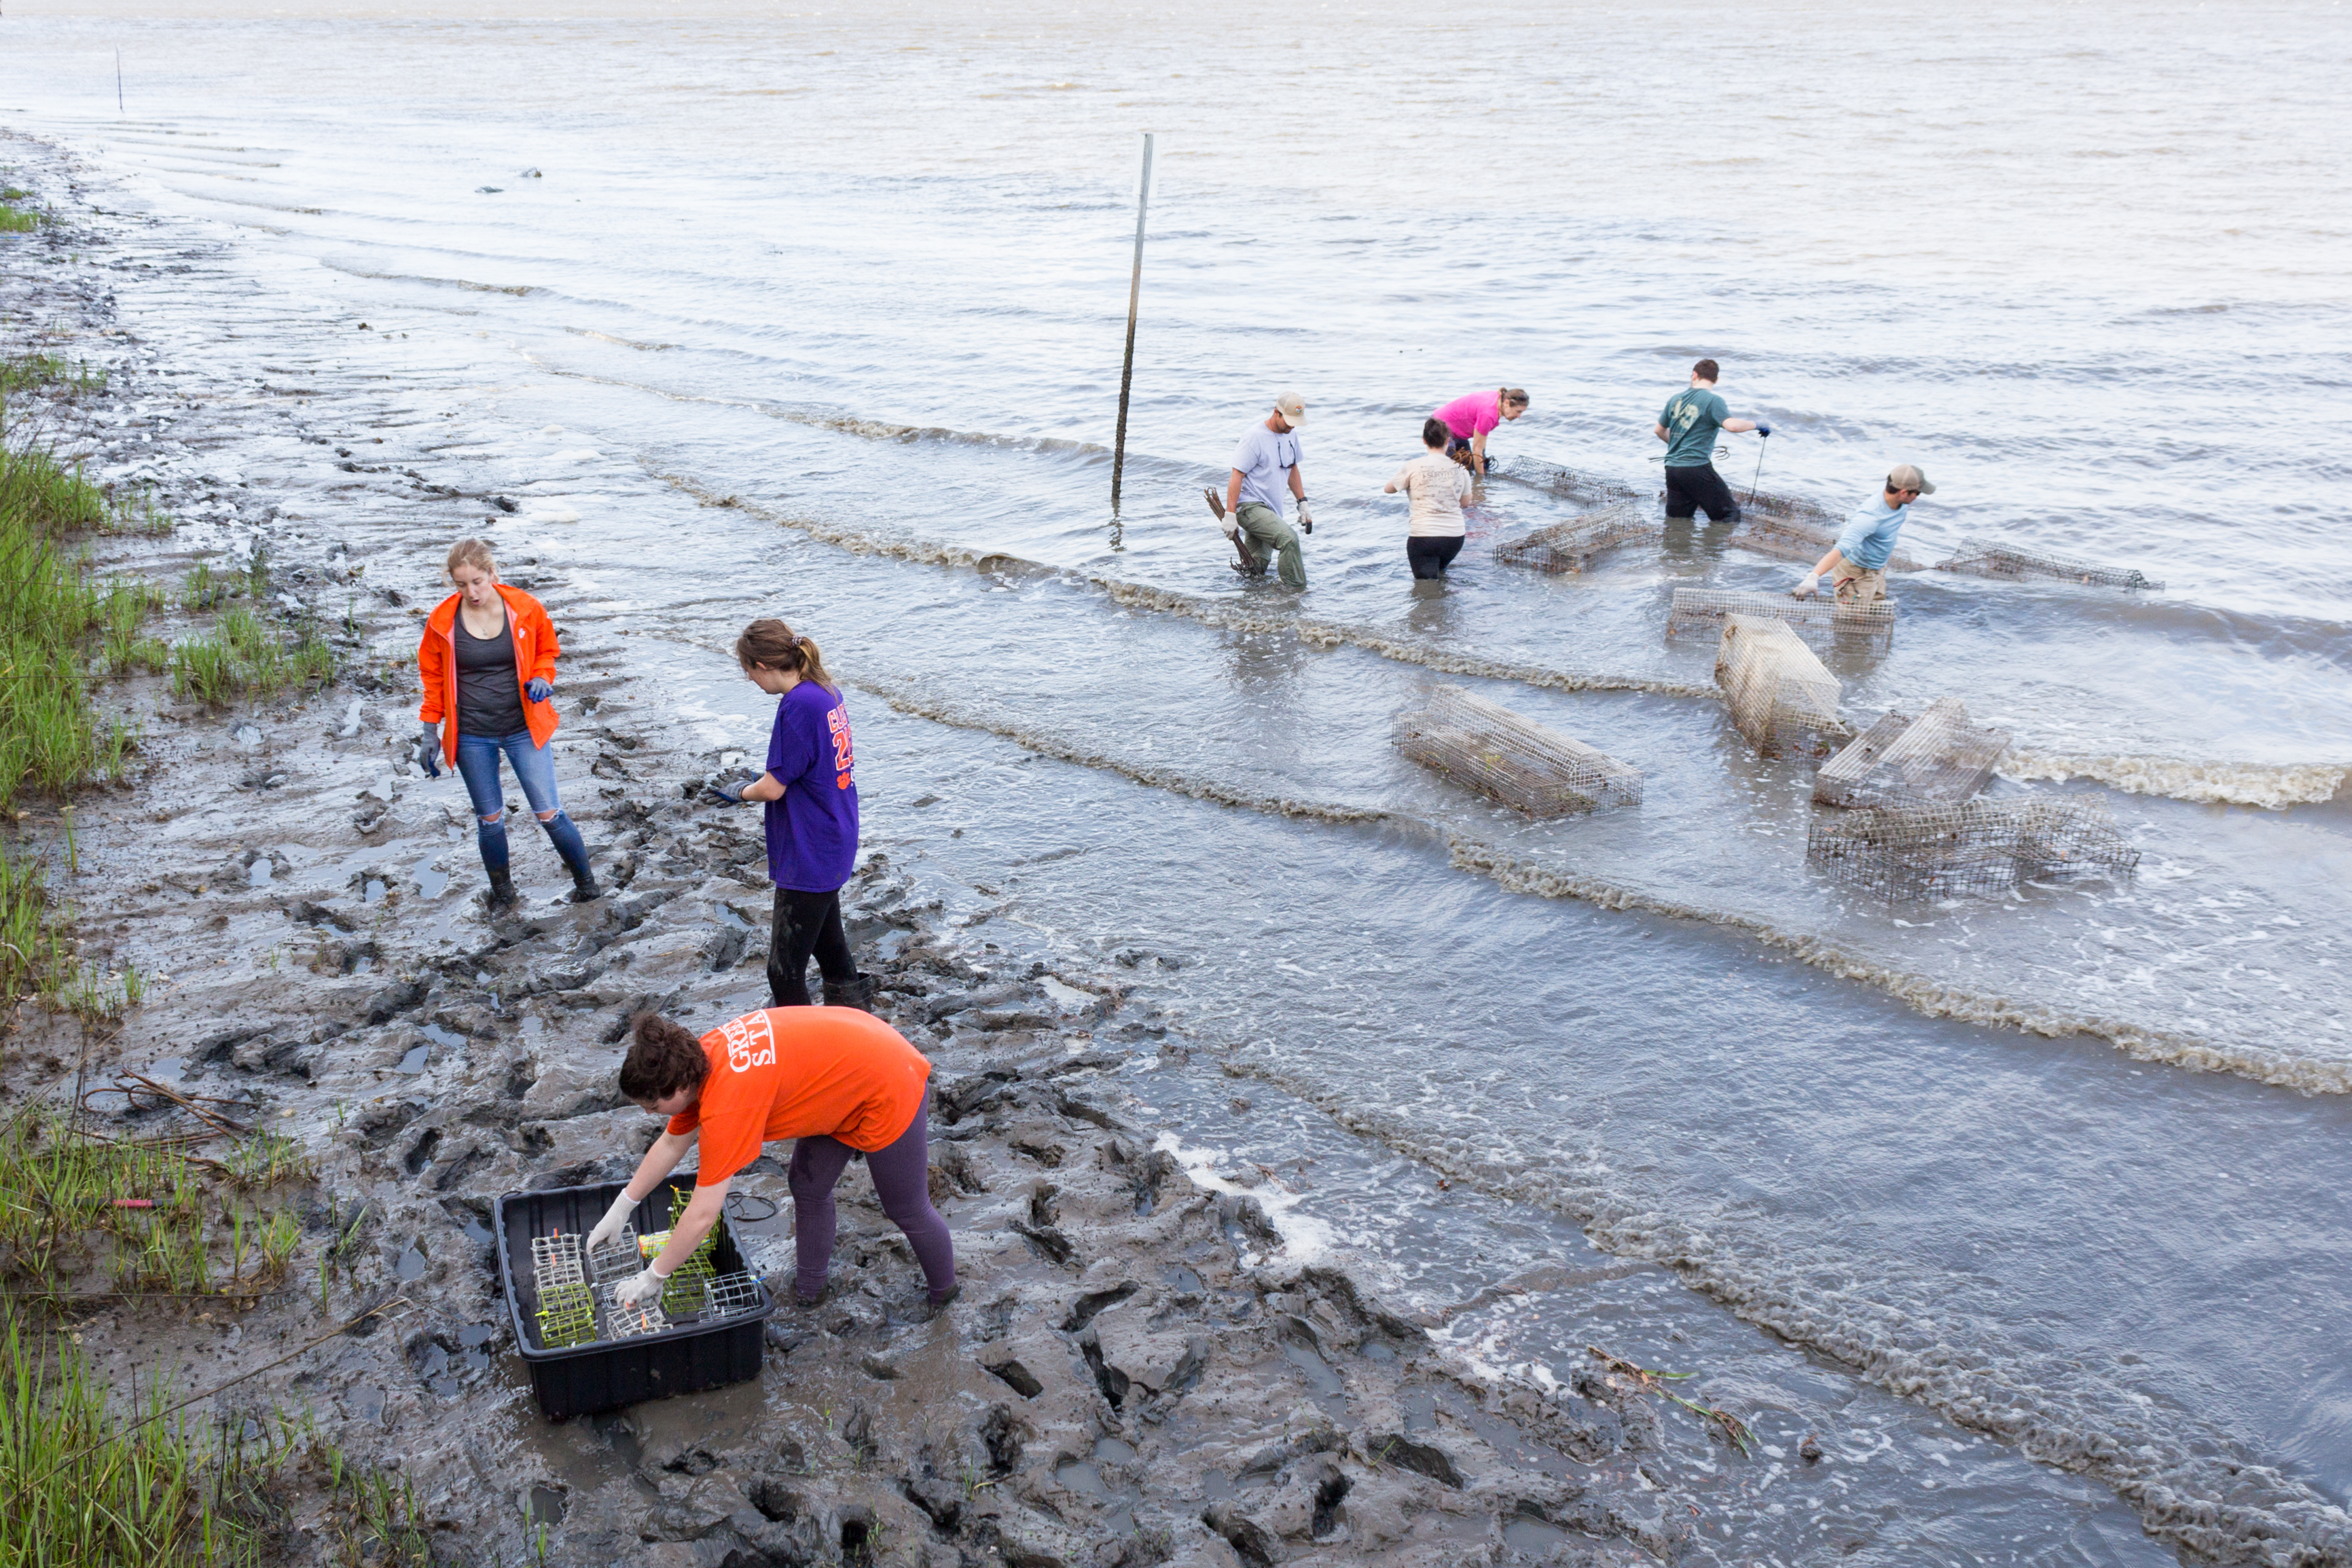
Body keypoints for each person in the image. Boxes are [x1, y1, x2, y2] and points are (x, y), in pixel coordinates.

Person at [589, 1007, 956, 1311]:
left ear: (680, 1088)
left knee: (906, 1207)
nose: (652, 1113)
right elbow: (671, 1144)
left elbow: (703, 1214)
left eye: (653, 1105)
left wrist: (654, 1276)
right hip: (846, 1068)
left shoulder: (728, 1104)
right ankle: (811, 1294)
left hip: (887, 1079)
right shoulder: (696, 1059)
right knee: (807, 1186)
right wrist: (622, 1207)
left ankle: (946, 1296)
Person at [413, 538, 600, 909]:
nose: (472, 592)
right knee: (490, 820)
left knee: (549, 812)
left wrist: (544, 677)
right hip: (471, 733)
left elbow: (548, 650)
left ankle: (588, 887)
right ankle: (504, 896)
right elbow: (433, 677)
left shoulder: (526, 608)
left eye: (478, 581)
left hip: (523, 727)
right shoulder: (441, 621)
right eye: (462, 585)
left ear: (492, 573)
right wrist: (429, 731)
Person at [707, 619, 873, 1010]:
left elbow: (773, 788)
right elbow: (809, 765)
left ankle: (802, 1058)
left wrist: (741, 793)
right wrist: (764, 778)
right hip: (835, 833)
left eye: (747, 670)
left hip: (809, 848)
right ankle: (856, 1034)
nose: (749, 680)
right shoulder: (825, 691)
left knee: (783, 972)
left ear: (763, 665)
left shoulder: (797, 704)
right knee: (833, 954)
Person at [1201, 391, 1313, 589]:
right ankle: (1294, 592)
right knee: (1288, 540)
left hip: (1270, 508)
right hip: (1248, 506)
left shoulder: (1291, 435)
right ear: (1276, 413)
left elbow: (1292, 468)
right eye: (1287, 421)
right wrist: (1230, 514)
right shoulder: (1255, 437)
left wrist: (1302, 502)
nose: (1291, 426)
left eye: (1294, 422)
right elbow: (1237, 475)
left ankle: (1249, 612)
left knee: (1256, 569)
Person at [1794, 465, 1936, 604]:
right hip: (1856, 572)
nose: (1917, 497)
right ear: (1904, 493)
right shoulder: (1870, 516)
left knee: (1877, 615)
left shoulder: (1898, 499)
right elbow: (1842, 548)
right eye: (1917, 493)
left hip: (1877, 569)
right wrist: (1813, 577)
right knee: (1854, 622)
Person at [1653, 359, 1771, 523]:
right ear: (1716, 380)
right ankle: (1713, 548)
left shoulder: (1675, 399)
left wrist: (1678, 445)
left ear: (1694, 375)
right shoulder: (1713, 401)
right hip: (1696, 468)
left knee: (1678, 520)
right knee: (1730, 515)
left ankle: (1675, 546)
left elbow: (1659, 430)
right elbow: (1732, 426)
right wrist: (1758, 425)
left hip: (1673, 469)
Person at [1385, 417, 1475, 579]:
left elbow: (1389, 489)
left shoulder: (1413, 465)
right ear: (1448, 440)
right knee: (1441, 576)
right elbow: (1466, 502)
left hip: (1424, 538)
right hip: (1454, 538)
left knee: (1426, 589)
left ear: (1424, 441)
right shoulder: (1461, 468)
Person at [1432, 387, 1529, 476]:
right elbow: (1477, 450)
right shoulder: (1489, 415)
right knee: (1449, 468)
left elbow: (1479, 449)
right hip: (1440, 426)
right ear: (1507, 403)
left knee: (1467, 466)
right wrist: (1481, 480)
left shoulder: (1499, 398)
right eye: (1518, 411)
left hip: (1456, 430)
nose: (1519, 416)